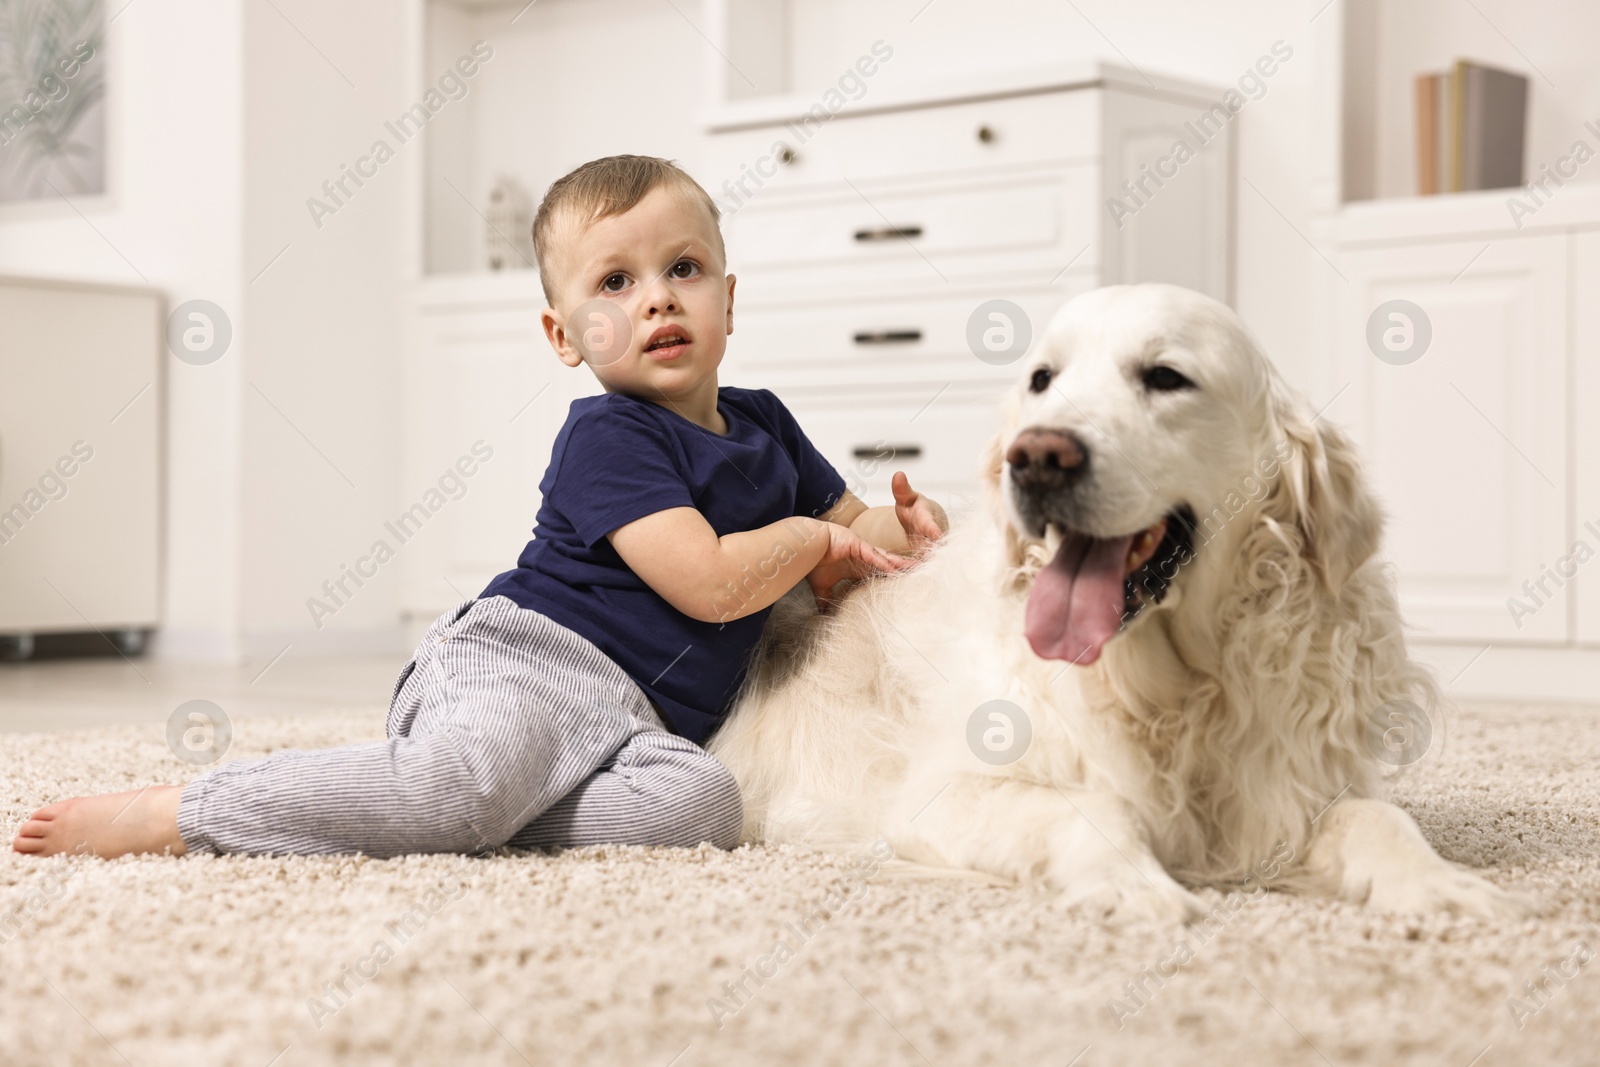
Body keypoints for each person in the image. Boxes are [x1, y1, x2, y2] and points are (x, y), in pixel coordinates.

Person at [11, 154, 948, 861]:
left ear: (730, 301)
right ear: (564, 335)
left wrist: (897, 529)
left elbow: (855, 523)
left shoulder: (766, 425)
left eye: (685, 268)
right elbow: (709, 583)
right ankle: (183, 811)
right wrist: (811, 536)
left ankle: (443, 809)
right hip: (524, 665)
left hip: (640, 726)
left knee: (702, 809)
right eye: (614, 283)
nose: (656, 298)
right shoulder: (608, 436)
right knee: (461, 789)